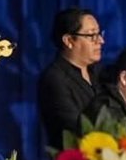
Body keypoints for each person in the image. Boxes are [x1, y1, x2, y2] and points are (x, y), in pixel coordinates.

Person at [37, 8, 104, 152]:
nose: (100, 41)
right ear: (68, 40)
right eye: (92, 35)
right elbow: (76, 129)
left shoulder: (100, 74)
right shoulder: (54, 79)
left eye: (99, 34)